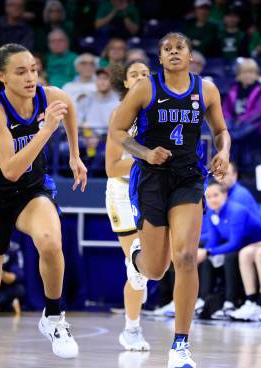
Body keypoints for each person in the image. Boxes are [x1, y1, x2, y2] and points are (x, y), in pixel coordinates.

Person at [0, 43, 87, 368]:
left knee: (50, 240)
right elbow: (12, 169)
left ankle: (55, 315)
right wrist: (45, 132)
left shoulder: (50, 95)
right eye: (21, 72)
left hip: (32, 192)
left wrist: (75, 154)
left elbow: (68, 108)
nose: (31, 77)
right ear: (1, 77)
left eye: (33, 69)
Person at [109, 32, 230, 368]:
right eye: (167, 49)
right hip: (151, 178)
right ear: (159, 58)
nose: (174, 52)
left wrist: (224, 151)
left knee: (187, 256)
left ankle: (181, 344)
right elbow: (117, 133)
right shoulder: (146, 88)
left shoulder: (205, 89)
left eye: (181, 48)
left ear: (190, 55)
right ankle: (138, 258)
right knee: (156, 269)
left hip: (189, 176)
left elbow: (221, 130)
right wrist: (146, 152)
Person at [105, 60, 151, 351]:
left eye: (146, 74)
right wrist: (146, 155)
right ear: (124, 82)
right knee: (137, 266)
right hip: (122, 193)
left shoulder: (160, 111)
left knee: (154, 264)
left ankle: (139, 287)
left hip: (152, 193)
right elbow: (111, 167)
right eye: (134, 74)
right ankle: (131, 329)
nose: (140, 78)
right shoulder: (119, 114)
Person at [198, 181, 261, 320]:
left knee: (229, 256)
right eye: (208, 196)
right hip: (244, 246)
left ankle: (231, 303)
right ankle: (202, 301)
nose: (212, 199)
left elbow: (234, 243)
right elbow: (214, 240)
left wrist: (208, 252)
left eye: (216, 195)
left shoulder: (236, 211)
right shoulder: (211, 213)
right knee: (207, 259)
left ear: (225, 195)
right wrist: (206, 252)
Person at [222, 58, 261, 141]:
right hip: (233, 123)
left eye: (251, 72)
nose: (248, 75)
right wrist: (228, 121)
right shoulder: (233, 90)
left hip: (252, 125)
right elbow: (225, 109)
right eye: (244, 72)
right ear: (238, 75)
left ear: (257, 75)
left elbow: (259, 110)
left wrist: (241, 119)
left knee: (233, 135)